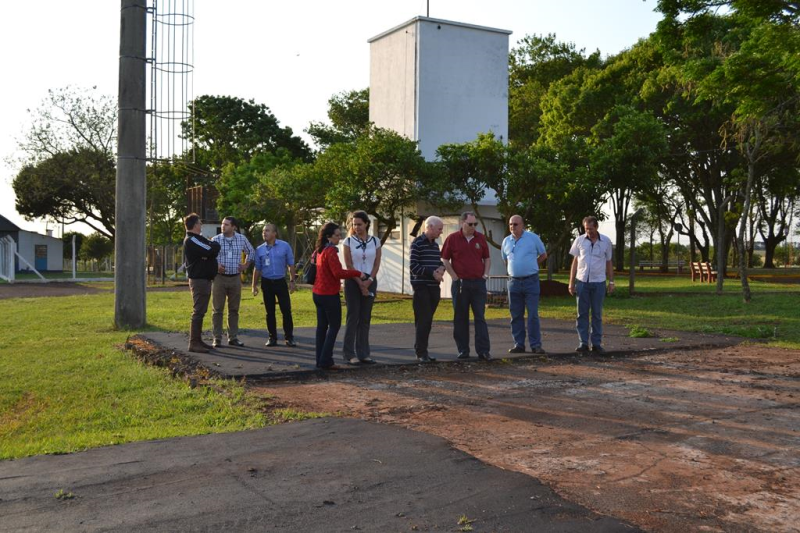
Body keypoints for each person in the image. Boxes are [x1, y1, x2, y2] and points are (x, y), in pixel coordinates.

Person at [312, 222, 369, 370]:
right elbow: (338, 273)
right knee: (334, 325)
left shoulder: (319, 250)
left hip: (318, 293)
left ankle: (320, 359)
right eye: (337, 235)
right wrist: (358, 273)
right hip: (329, 293)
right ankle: (326, 360)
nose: (339, 238)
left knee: (322, 327)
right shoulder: (330, 251)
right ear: (329, 236)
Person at [441, 212, 492, 361]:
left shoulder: (480, 238)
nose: (473, 227)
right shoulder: (452, 239)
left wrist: (485, 275)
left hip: (478, 283)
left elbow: (487, 258)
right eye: (470, 224)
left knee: (480, 318)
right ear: (462, 223)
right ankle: (463, 350)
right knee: (460, 318)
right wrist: (454, 276)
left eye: (475, 224)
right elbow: (444, 259)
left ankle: (483, 351)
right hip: (461, 284)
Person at [568, 215, 615, 354]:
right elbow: (575, 261)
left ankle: (596, 343)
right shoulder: (579, 240)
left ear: (596, 227)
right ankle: (583, 343)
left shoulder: (606, 241)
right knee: (581, 314)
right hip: (582, 281)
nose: (588, 231)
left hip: (599, 282)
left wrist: (611, 281)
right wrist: (571, 282)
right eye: (586, 229)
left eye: (591, 228)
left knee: (597, 314)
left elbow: (609, 262)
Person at [501, 215, 548, 354]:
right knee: (515, 315)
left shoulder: (533, 238)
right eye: (510, 224)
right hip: (514, 282)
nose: (512, 227)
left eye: (515, 224)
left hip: (531, 281)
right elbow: (505, 259)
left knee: (532, 314)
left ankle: (535, 345)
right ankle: (519, 344)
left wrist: (533, 265)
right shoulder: (506, 241)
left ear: (523, 225)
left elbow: (543, 255)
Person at [342, 211, 381, 365]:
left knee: (365, 318)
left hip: (370, 280)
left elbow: (377, 263)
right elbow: (349, 265)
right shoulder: (348, 242)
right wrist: (360, 282)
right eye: (354, 224)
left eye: (359, 224)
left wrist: (369, 280)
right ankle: (349, 353)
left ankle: (364, 353)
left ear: (366, 224)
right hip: (353, 280)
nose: (356, 227)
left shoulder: (375, 241)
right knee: (353, 317)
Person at [210, 216, 255, 347]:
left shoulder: (241, 239)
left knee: (234, 309)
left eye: (227, 224)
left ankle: (233, 337)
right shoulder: (216, 239)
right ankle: (217, 338)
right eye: (223, 224)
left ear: (234, 227)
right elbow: (208, 257)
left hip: (235, 278)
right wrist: (216, 266)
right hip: (219, 278)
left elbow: (251, 252)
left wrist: (246, 265)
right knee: (217, 309)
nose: (223, 226)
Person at [251, 223, 297, 347]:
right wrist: (254, 285)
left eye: (267, 230)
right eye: (263, 231)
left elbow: (290, 264)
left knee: (286, 310)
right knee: (269, 312)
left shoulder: (284, 246)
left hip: (280, 282)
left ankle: (289, 337)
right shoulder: (260, 249)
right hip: (267, 283)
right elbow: (257, 268)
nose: (264, 233)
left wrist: (292, 281)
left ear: (274, 233)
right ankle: (272, 338)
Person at [183, 213, 221, 353]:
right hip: (199, 280)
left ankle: (198, 340)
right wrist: (213, 245)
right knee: (198, 311)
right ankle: (194, 342)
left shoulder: (198, 239)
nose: (201, 225)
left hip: (204, 279)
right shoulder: (192, 239)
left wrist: (210, 249)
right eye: (199, 223)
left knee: (201, 310)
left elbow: (209, 250)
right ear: (194, 225)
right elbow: (212, 249)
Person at [410, 216, 446, 363]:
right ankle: (421, 352)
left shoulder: (435, 245)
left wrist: (441, 268)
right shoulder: (417, 243)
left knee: (427, 320)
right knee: (423, 320)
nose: (441, 232)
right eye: (439, 229)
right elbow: (414, 266)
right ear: (430, 227)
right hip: (421, 286)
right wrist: (432, 273)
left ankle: (422, 349)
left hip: (433, 287)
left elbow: (438, 261)